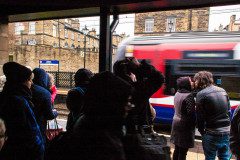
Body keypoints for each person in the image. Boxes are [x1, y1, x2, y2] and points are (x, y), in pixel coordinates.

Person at [45, 71, 134, 160]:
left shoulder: (86, 124)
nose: (130, 106)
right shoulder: (101, 139)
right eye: (127, 101)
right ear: (113, 103)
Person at [0, 62, 44, 160]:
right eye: (30, 80)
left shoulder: (5, 96)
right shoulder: (20, 102)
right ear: (22, 81)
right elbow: (31, 132)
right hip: (23, 153)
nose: (31, 83)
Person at [113, 58, 165, 133]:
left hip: (119, 134)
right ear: (130, 74)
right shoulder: (136, 90)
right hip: (136, 134)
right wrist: (138, 67)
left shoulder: (112, 90)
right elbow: (159, 78)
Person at [194, 71, 231, 160]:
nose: (194, 82)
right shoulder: (222, 90)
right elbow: (228, 111)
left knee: (210, 157)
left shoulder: (201, 94)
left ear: (200, 80)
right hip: (226, 131)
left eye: (195, 80)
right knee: (224, 156)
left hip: (211, 132)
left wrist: (202, 132)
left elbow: (200, 117)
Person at [170, 77, 196, 160]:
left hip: (176, 122)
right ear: (186, 84)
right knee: (183, 151)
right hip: (184, 125)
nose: (192, 82)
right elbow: (191, 114)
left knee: (177, 148)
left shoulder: (177, 93)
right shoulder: (189, 96)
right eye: (190, 81)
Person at [31, 68, 58, 143]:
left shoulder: (28, 89)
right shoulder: (44, 93)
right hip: (39, 127)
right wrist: (55, 112)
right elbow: (49, 115)